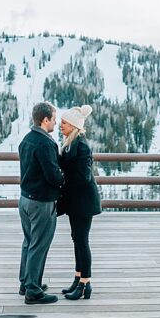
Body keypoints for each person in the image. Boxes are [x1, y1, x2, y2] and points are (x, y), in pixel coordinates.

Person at [18, 102, 65, 304]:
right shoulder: (45, 143)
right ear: (45, 120)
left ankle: (26, 282)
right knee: (39, 245)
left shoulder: (27, 139)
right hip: (41, 202)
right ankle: (33, 291)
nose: (56, 122)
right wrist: (63, 178)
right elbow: (53, 175)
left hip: (25, 199)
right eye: (54, 118)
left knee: (29, 242)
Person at [57, 105, 101, 300]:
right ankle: (78, 279)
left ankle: (85, 283)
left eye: (64, 123)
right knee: (77, 239)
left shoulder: (81, 146)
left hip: (83, 201)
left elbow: (83, 176)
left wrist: (63, 178)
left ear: (74, 125)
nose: (61, 125)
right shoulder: (70, 143)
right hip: (77, 201)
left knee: (82, 241)